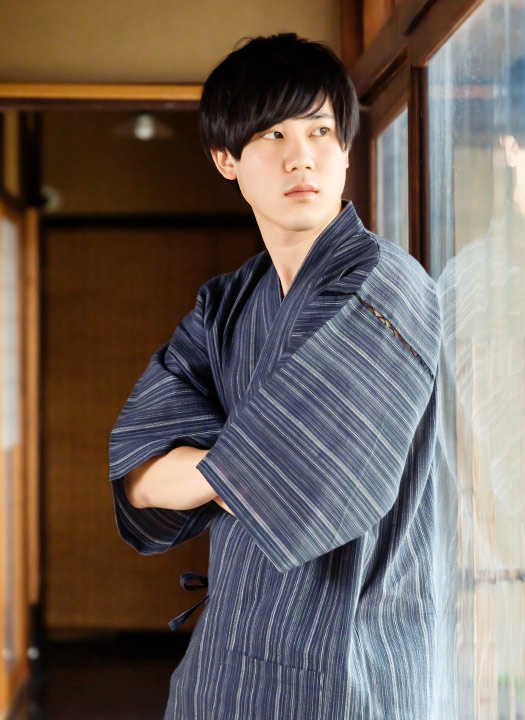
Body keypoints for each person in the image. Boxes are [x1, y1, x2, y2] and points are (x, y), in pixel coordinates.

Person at [108, 33, 442, 720]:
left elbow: (303, 484)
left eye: (321, 130)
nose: (302, 156)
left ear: (345, 147)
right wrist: (245, 463)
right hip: (224, 661)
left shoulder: (386, 287)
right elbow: (138, 473)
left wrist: (214, 465)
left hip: (349, 665)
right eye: (272, 134)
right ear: (226, 159)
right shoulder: (226, 303)